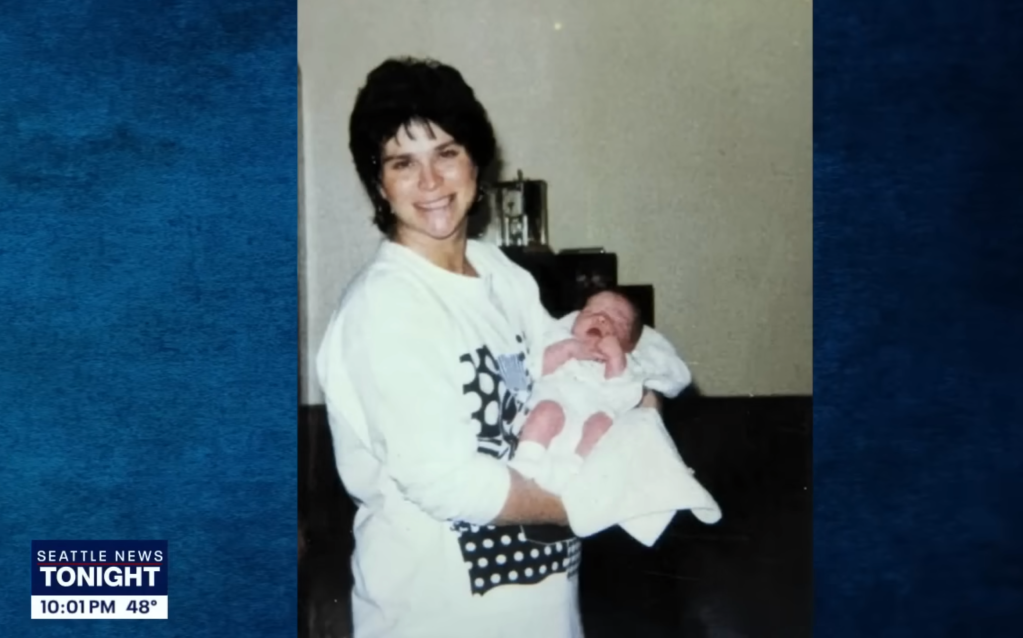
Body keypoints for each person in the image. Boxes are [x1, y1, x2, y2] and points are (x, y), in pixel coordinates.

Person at [316, 56, 661, 638]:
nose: (431, 182)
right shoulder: (386, 305)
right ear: (379, 182)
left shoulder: (501, 274)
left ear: (475, 160)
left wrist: (636, 395)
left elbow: (577, 370)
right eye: (403, 163)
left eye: (447, 153)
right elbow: (443, 481)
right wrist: (591, 499)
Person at [509, 290, 649, 494]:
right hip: (544, 420)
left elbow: (623, 400)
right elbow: (529, 371)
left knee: (603, 423)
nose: (601, 318)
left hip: (584, 431)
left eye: (616, 319)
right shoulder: (557, 339)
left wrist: (615, 361)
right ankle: (525, 464)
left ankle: (575, 470)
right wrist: (566, 350)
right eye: (590, 311)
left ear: (628, 345)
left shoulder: (627, 368)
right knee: (547, 410)